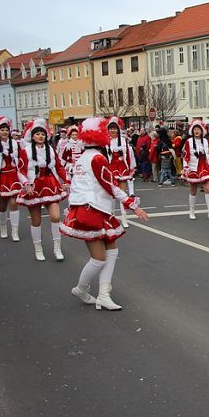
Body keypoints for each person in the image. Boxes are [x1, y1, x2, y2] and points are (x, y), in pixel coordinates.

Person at [60, 117, 150, 310]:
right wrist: (132, 205)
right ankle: (81, 288)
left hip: (87, 208)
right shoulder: (98, 158)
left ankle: (103, 294)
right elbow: (109, 186)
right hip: (92, 210)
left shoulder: (83, 158)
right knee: (99, 258)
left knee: (112, 247)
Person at [17, 119, 69, 262]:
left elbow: (59, 167)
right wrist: (27, 183)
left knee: (55, 217)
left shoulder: (51, 149)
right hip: (34, 186)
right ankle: (38, 249)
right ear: (32, 136)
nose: (40, 136)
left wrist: (66, 180)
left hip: (50, 184)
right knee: (36, 220)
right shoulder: (25, 151)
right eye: (38, 134)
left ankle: (57, 248)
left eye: (43, 134)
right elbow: (20, 170)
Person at [0, 117, 24, 241]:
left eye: (6, 129)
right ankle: (3, 226)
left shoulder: (15, 144)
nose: (5, 132)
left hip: (13, 175)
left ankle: (15, 231)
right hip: (0, 176)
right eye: (2, 130)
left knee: (14, 203)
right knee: (2, 205)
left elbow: (22, 159)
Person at [181, 120, 209, 220]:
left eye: (198, 130)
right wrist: (186, 167)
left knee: (207, 189)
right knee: (193, 191)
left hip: (204, 167)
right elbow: (185, 156)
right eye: (195, 129)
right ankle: (191, 211)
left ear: (202, 131)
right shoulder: (188, 142)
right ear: (192, 131)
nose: (197, 131)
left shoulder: (206, 141)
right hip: (193, 167)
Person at [107, 118, 137, 228]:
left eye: (114, 128)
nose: (112, 131)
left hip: (122, 169)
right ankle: (111, 218)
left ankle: (124, 218)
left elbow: (129, 156)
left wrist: (131, 169)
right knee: (111, 196)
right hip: (110, 170)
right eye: (111, 128)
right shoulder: (105, 142)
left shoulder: (124, 141)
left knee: (122, 195)